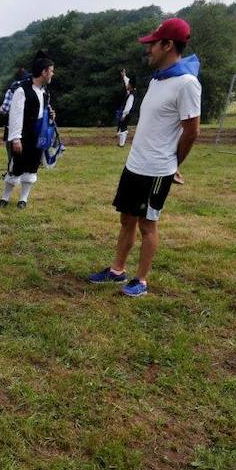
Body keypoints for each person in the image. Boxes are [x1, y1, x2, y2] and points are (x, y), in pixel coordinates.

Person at [88, 18, 201, 298]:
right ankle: (117, 270)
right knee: (126, 219)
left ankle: (141, 280)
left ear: (168, 45)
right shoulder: (157, 80)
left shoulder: (187, 84)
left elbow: (192, 131)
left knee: (147, 225)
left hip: (156, 170)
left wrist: (174, 164)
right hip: (134, 164)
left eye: (153, 44)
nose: (148, 50)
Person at [0, 51, 55, 209]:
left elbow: (43, 112)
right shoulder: (21, 90)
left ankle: (23, 199)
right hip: (23, 135)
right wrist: (16, 138)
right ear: (44, 72)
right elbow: (15, 116)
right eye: (51, 70)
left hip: (38, 135)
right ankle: (5, 197)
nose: (53, 73)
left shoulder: (45, 92)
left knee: (32, 166)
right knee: (16, 166)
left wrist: (50, 115)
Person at [116, 69, 135, 147]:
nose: (126, 85)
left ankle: (121, 144)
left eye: (128, 85)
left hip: (127, 113)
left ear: (130, 86)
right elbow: (127, 82)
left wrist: (124, 115)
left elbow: (128, 106)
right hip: (127, 112)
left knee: (123, 126)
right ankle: (121, 142)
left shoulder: (131, 95)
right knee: (122, 126)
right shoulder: (130, 91)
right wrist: (124, 76)